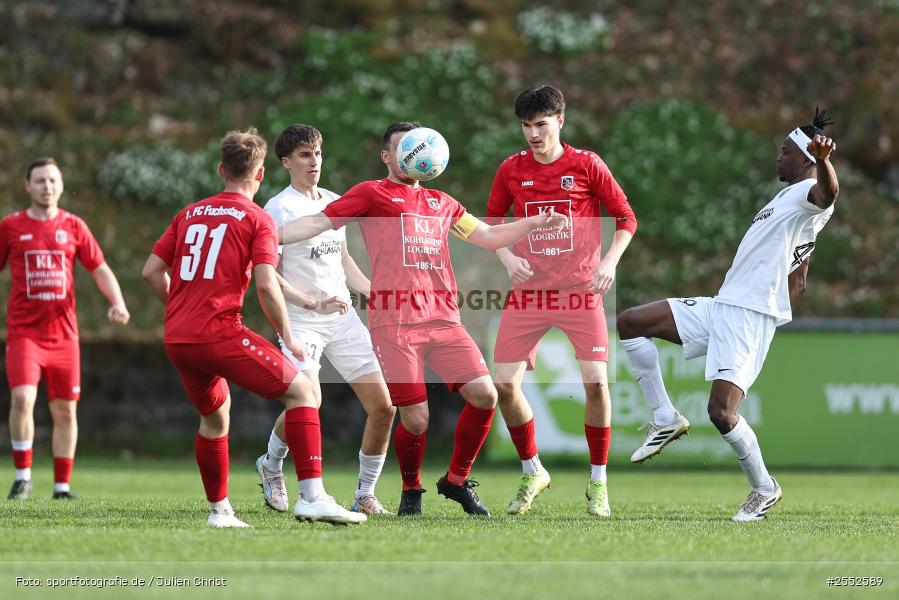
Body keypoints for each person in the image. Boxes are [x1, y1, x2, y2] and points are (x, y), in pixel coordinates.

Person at [280, 121, 567, 516]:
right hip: (395, 324)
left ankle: (456, 480)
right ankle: (411, 489)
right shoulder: (370, 194)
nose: (413, 154)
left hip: (445, 319)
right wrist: (265, 235)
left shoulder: (442, 202)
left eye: (419, 147)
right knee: (416, 419)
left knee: (485, 396)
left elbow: (486, 236)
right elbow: (318, 222)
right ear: (387, 157)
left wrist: (533, 222)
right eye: (403, 148)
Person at [617, 109, 838, 521]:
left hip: (748, 314)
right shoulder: (785, 201)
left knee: (721, 413)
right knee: (631, 322)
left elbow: (828, 195)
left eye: (784, 151)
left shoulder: (810, 193)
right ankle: (664, 417)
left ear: (806, 155)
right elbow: (799, 276)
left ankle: (764, 488)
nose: (778, 158)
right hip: (724, 306)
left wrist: (824, 163)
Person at [142, 128, 365, 527]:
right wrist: (291, 336)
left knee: (214, 416)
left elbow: (152, 272)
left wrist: (178, 307)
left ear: (220, 169)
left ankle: (220, 511)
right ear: (261, 174)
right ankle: (312, 496)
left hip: (178, 336)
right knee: (301, 392)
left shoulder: (188, 213)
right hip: (220, 332)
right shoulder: (256, 217)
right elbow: (265, 283)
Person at [485, 85, 637, 517]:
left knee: (595, 385)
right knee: (504, 386)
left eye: (541, 124)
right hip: (528, 293)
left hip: (579, 292)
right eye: (526, 125)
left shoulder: (586, 164)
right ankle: (533, 469)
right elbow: (492, 221)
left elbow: (626, 217)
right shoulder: (511, 169)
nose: (533, 133)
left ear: (560, 122)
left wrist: (609, 261)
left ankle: (598, 483)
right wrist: (508, 256)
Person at [256, 124, 396, 516]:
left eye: (317, 152)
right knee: (309, 402)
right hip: (301, 321)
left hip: (343, 319)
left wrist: (377, 293)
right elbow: (267, 271)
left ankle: (364, 494)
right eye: (304, 154)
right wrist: (308, 301)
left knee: (384, 408)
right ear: (286, 162)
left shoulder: (335, 200)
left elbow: (344, 260)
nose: (313, 161)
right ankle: (270, 464)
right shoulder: (277, 209)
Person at [2, 158, 130, 501]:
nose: (47, 186)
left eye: (53, 180)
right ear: (27, 186)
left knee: (64, 410)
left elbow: (99, 268)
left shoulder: (73, 226)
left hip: (64, 336)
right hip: (24, 333)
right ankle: (23, 476)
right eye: (40, 180)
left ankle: (61, 487)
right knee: (23, 398)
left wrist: (117, 301)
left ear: (60, 185)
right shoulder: (11, 227)